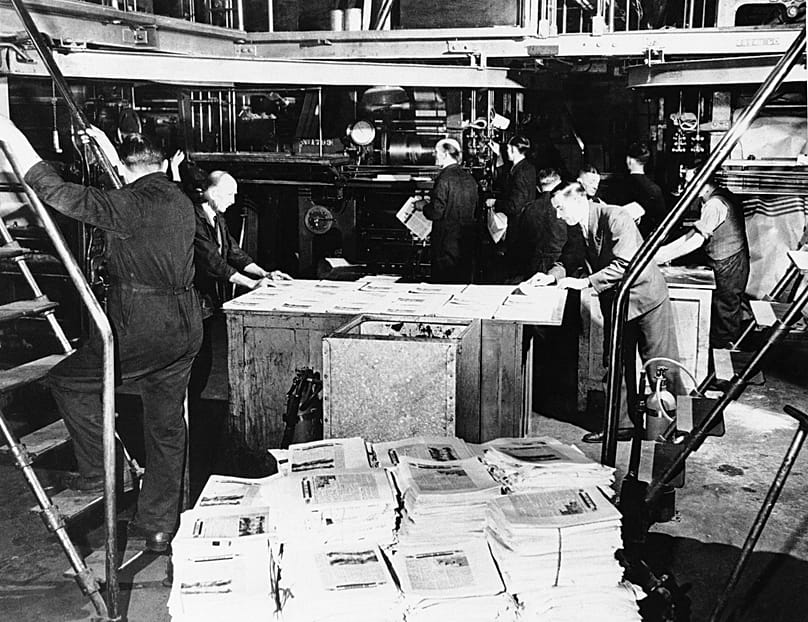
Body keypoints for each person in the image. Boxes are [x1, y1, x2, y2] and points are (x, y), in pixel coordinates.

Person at [0, 116, 202, 552]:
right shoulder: (179, 199)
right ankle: (159, 527)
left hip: (142, 326)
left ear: (127, 171)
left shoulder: (126, 206)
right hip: (186, 326)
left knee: (68, 382)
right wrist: (107, 149)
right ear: (164, 164)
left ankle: (103, 474)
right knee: (167, 427)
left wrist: (10, 133)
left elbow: (54, 191)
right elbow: (130, 180)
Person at [549, 181, 682, 443]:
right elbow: (567, 259)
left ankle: (671, 429)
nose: (557, 215)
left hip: (645, 299)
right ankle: (621, 426)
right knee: (616, 363)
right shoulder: (578, 227)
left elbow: (626, 263)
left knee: (660, 366)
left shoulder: (615, 217)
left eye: (560, 208)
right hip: (617, 301)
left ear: (578, 201)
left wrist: (586, 282)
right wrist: (550, 277)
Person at [183, 164, 292, 406]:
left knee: (205, 359)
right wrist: (252, 284)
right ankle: (191, 411)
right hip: (193, 301)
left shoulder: (217, 218)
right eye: (229, 195)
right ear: (211, 193)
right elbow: (214, 264)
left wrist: (265, 272)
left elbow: (233, 252)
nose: (233, 201)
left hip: (207, 303)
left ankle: (195, 408)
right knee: (198, 359)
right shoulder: (194, 220)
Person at [656, 176, 749, 349]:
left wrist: (663, 257)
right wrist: (661, 252)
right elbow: (692, 234)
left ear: (704, 183)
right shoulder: (717, 198)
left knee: (725, 316)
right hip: (729, 262)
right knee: (723, 314)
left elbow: (697, 240)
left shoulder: (714, 204)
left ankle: (724, 364)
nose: (686, 185)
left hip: (729, 266)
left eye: (691, 181)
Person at [419, 138, 478, 283]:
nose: (435, 156)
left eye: (437, 153)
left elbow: (436, 212)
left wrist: (423, 206)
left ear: (445, 154)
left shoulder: (444, 178)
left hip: (445, 242)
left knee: (443, 283)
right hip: (465, 239)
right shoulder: (470, 178)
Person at [485, 135, 537, 280]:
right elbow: (507, 180)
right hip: (525, 224)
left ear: (514, 149)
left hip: (519, 227)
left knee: (514, 268)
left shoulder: (520, 173)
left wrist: (495, 203)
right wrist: (499, 155)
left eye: (508, 148)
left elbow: (514, 205)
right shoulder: (525, 167)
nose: (507, 150)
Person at [623, 142, 667, 238]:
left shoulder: (620, 186)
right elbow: (661, 221)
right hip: (648, 241)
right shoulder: (655, 189)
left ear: (629, 160)